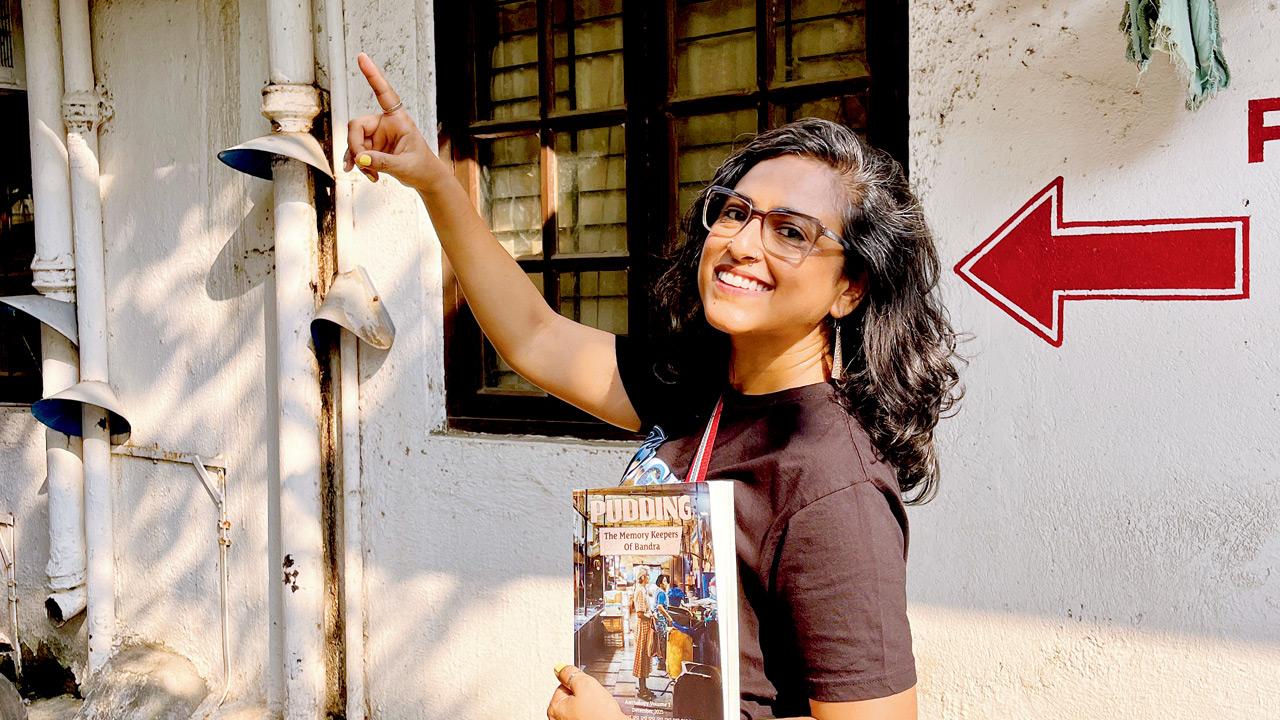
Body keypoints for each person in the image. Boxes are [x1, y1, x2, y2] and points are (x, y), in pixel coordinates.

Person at [347, 52, 961, 720]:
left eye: (790, 232)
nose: (743, 245)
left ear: (849, 288)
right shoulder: (699, 387)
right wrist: (434, 181)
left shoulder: (831, 485)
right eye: (734, 213)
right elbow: (533, 337)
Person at [630, 568, 656, 701]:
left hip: (646, 626)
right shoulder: (640, 590)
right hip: (642, 627)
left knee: (646, 656)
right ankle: (641, 690)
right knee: (642, 656)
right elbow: (640, 613)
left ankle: (644, 687)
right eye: (647, 575)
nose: (649, 577)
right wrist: (650, 615)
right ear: (642, 577)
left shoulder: (643, 589)